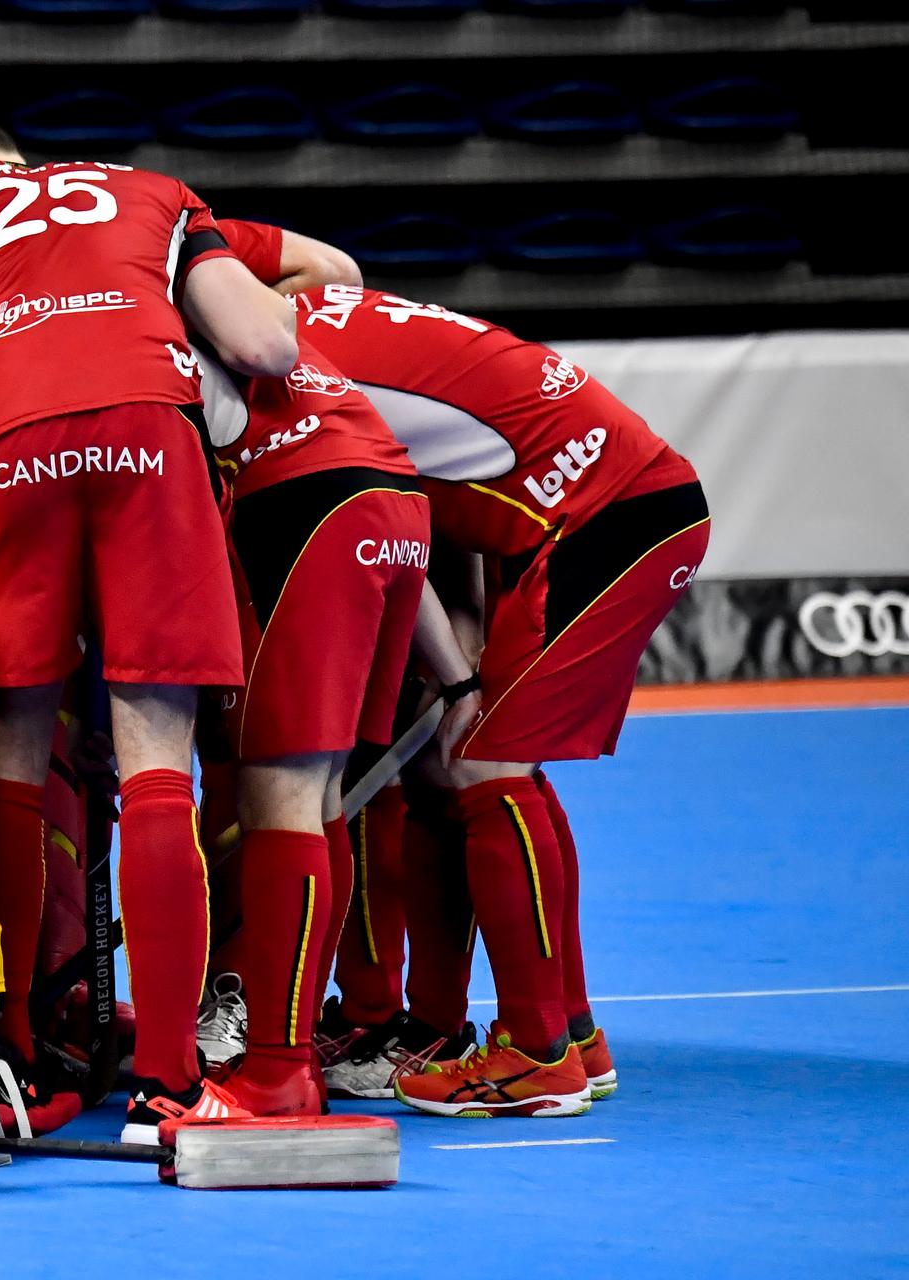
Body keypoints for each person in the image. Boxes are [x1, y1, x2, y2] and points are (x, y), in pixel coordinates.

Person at [0, 88, 298, 1143]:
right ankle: (166, 1084)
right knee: (158, 755)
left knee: (15, 752)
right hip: (152, 430)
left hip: (9, 444)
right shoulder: (148, 189)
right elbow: (268, 343)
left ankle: (7, 1056)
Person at [283, 282, 710, 1116]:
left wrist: (457, 675)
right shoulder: (316, 310)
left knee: (488, 768)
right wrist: (466, 664)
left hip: (601, 518)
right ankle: (568, 1034)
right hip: (597, 510)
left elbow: (388, 524)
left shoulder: (289, 369)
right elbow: (457, 501)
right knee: (470, 765)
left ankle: (534, 1056)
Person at [195, 337, 477, 1115]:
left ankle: (275, 1070)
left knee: (275, 792)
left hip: (305, 509)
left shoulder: (151, 315)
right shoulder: (286, 331)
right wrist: (456, 671)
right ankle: (299, 1040)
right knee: (323, 797)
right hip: (398, 508)